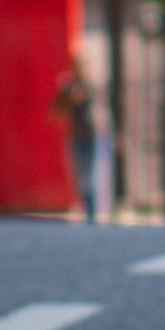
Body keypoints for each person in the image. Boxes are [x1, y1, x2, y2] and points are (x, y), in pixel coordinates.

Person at [52, 50, 109, 223]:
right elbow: (55, 112)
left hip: (94, 136)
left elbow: (84, 100)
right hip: (77, 137)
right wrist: (64, 93)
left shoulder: (91, 85)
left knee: (90, 177)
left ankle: (92, 213)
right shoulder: (69, 87)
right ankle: (87, 210)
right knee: (79, 177)